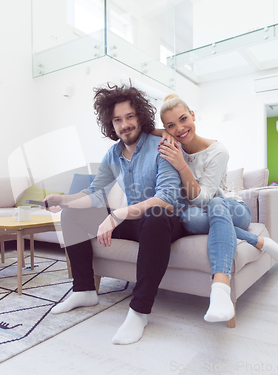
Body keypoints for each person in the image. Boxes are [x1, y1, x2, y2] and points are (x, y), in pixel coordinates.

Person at [44, 84, 185, 345]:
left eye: (130, 116)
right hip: (134, 221)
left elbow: (167, 198)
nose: (125, 125)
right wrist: (64, 200)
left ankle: (139, 311)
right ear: (111, 124)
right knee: (72, 214)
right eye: (118, 120)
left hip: (164, 220)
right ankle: (85, 289)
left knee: (154, 215)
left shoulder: (161, 145)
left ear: (140, 116)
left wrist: (118, 214)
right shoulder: (113, 153)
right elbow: (96, 193)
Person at [156, 94, 278, 323]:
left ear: (193, 115)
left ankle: (221, 287)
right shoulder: (174, 145)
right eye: (171, 125)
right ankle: (262, 242)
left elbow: (204, 199)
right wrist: (163, 133)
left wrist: (182, 165)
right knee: (190, 219)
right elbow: (146, 131)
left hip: (233, 209)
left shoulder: (217, 151)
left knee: (215, 202)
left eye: (184, 119)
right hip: (203, 216)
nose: (180, 129)